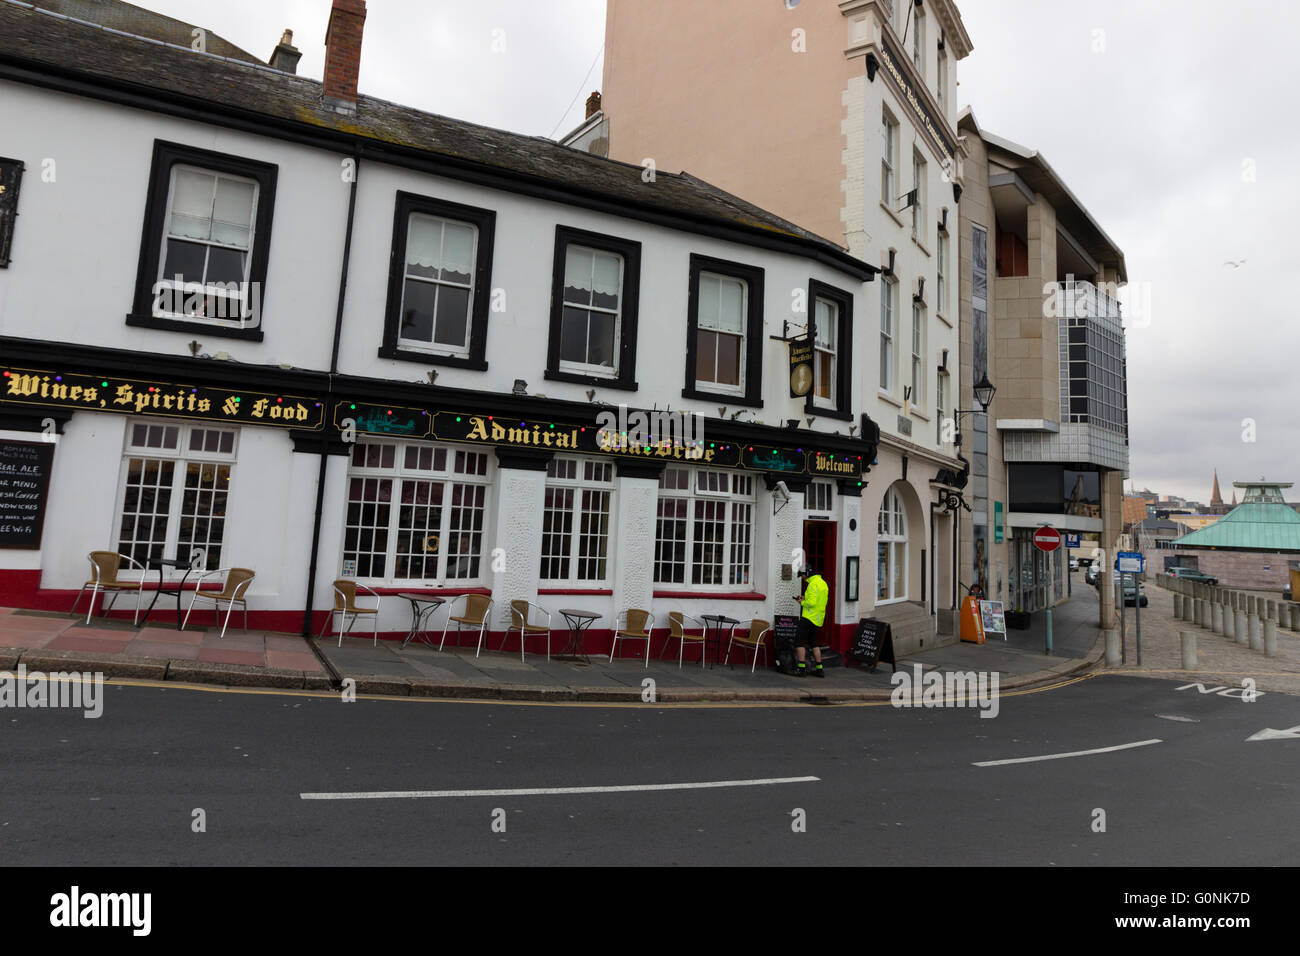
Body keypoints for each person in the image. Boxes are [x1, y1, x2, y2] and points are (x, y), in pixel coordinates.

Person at [792, 565, 829, 678]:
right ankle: (819, 668)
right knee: (814, 642)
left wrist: (801, 602)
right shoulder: (823, 583)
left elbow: (811, 603)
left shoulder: (812, 585)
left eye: (803, 576)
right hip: (818, 618)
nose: (803, 578)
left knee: (798, 641)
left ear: (807, 574)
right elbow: (818, 600)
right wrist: (805, 598)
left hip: (808, 617)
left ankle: (801, 669)